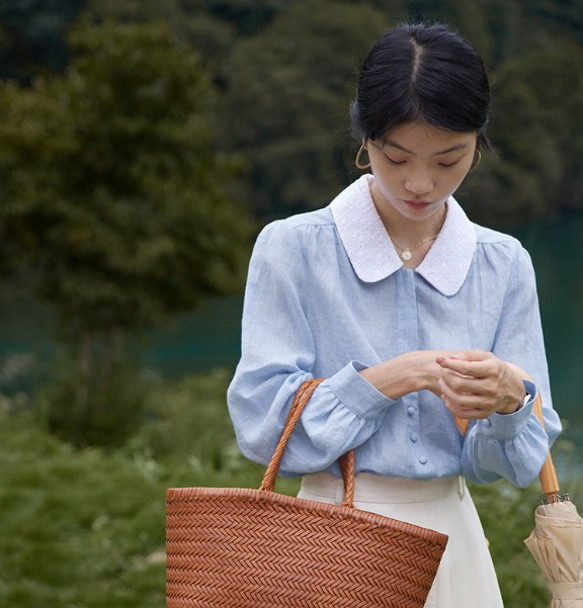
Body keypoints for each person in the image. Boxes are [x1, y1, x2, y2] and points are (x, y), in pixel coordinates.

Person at [227, 22, 561, 607]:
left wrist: (511, 397)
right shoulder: (293, 248)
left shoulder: (502, 263)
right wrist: (394, 377)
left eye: (449, 159)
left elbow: (507, 464)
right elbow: (260, 424)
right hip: (325, 541)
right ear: (365, 139)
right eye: (396, 155)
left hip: (451, 538)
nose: (420, 182)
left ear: (477, 144)